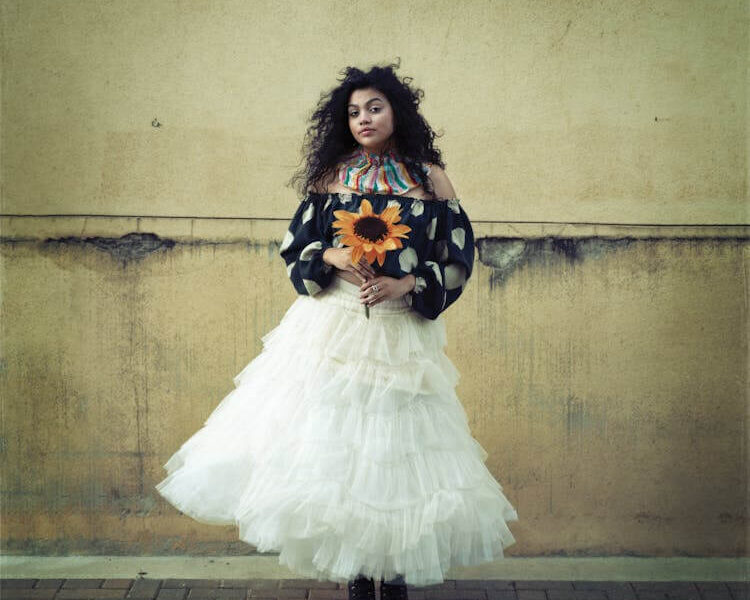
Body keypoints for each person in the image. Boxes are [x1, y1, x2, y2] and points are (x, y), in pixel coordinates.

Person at [155, 61, 518, 600]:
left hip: (399, 334)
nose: (363, 119)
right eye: (353, 112)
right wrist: (330, 252)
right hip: (333, 330)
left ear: (398, 111)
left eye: (374, 107)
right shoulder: (331, 178)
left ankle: (394, 575)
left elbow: (460, 254)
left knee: (395, 451)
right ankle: (356, 578)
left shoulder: (430, 179)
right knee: (337, 448)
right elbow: (292, 245)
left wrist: (409, 285)